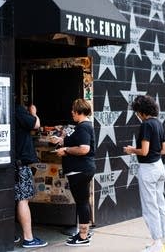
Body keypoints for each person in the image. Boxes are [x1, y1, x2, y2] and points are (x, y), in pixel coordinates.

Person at [123, 95, 165, 252]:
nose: (137, 115)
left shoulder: (146, 125)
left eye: (137, 112)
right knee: (160, 205)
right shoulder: (158, 123)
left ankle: (157, 244)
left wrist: (131, 150)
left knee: (150, 207)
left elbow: (144, 151)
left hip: (148, 169)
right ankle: (164, 241)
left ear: (142, 111)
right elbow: (164, 150)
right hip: (159, 167)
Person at [51, 99, 96, 247]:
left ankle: (83, 237)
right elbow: (77, 143)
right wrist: (63, 141)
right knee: (83, 201)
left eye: (73, 110)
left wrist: (65, 150)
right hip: (82, 169)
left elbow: (84, 149)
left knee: (82, 202)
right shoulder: (84, 126)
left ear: (79, 112)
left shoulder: (83, 127)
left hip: (80, 170)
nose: (71, 113)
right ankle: (83, 232)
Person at [15, 103, 48, 248]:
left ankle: (10, 233)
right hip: (20, 164)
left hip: (8, 162)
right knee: (23, 199)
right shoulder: (17, 109)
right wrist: (34, 112)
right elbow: (36, 124)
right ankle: (29, 238)